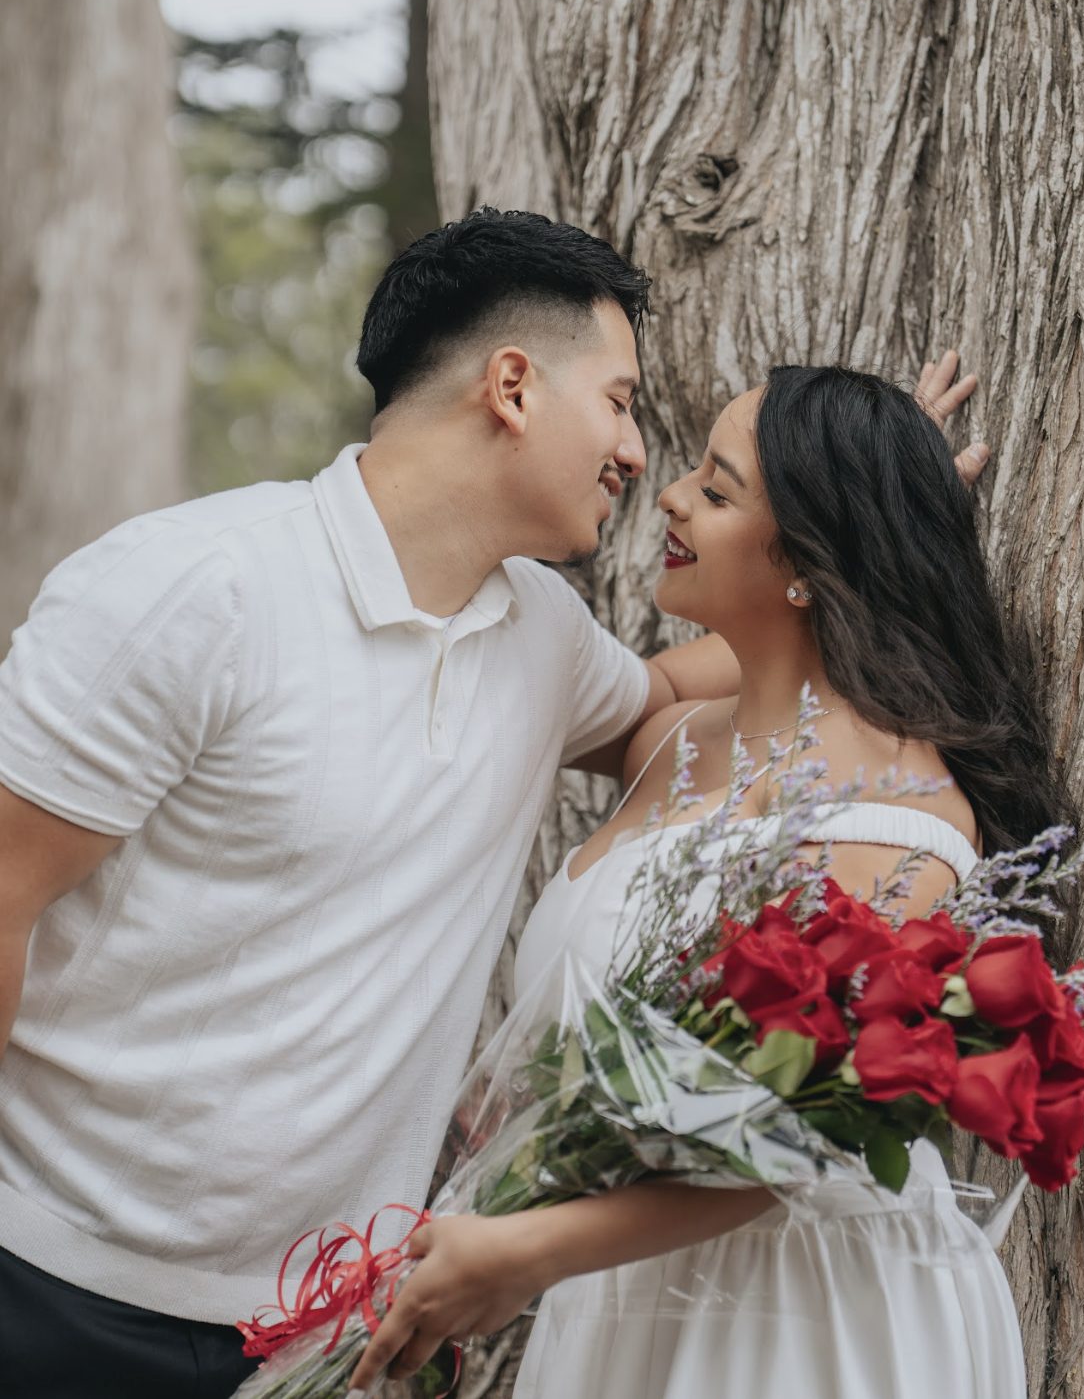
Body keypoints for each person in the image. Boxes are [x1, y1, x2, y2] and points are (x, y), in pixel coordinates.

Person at [0, 208, 982, 1399]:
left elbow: (694, 695)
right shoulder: (191, 589)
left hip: (334, 1329)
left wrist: (868, 523)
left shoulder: (544, 637)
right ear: (512, 385)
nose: (636, 451)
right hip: (57, 1293)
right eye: (619, 401)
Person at [349, 363, 1057, 1399]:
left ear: (811, 559)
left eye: (718, 490)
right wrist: (872, 521)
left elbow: (804, 1138)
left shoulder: (895, 823)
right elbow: (764, 668)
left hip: (804, 1321)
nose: (671, 496)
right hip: (618, 1294)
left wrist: (528, 1251)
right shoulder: (673, 736)